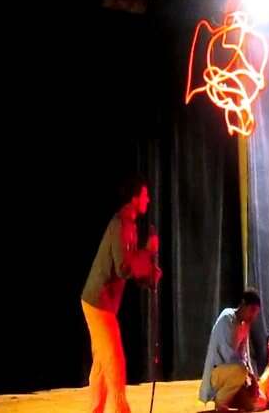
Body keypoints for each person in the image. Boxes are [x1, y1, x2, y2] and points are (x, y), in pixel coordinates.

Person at [81, 175, 162, 413]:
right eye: (145, 195)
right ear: (135, 198)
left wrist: (149, 274)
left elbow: (129, 265)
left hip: (101, 303)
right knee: (114, 363)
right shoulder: (122, 223)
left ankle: (95, 409)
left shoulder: (129, 224)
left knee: (102, 365)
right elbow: (124, 267)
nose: (148, 200)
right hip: (99, 303)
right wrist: (148, 252)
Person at [199, 288, 267, 411]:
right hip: (218, 373)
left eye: (256, 313)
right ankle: (220, 401)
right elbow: (228, 356)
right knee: (241, 372)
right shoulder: (227, 318)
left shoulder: (245, 324)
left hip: (236, 374)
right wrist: (247, 376)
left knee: (260, 401)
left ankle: (231, 400)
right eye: (252, 311)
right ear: (243, 304)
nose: (253, 316)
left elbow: (244, 355)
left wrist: (252, 380)